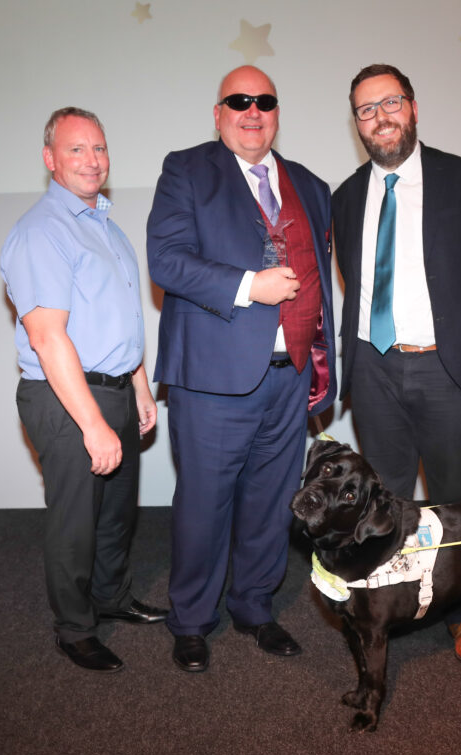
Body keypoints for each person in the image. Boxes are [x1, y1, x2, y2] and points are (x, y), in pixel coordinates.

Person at [147, 66, 336, 673]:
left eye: (264, 101)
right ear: (218, 111)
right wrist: (248, 286)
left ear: (277, 112)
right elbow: (167, 261)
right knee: (204, 503)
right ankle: (193, 620)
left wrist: (320, 361)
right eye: (239, 101)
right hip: (213, 378)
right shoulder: (186, 170)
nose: (252, 111)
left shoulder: (309, 183)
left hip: (289, 375)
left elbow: (320, 283)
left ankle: (254, 607)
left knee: (272, 500)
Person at [331, 64, 461, 665]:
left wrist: (451, 324)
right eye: (365, 109)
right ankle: (388, 610)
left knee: (454, 499)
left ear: (412, 107)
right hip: (374, 371)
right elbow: (355, 282)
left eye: (390, 103)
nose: (379, 117)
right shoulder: (347, 196)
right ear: (357, 123)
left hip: (446, 368)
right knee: (381, 504)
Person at [0, 107, 166, 673]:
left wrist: (139, 387)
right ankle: (74, 628)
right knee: (75, 522)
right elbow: (48, 338)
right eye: (76, 149)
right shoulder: (42, 231)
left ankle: (110, 598)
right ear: (50, 159)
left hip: (116, 388)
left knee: (116, 513)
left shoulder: (106, 226)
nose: (91, 160)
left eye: (98, 149)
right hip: (66, 398)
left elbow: (122, 320)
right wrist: (93, 423)